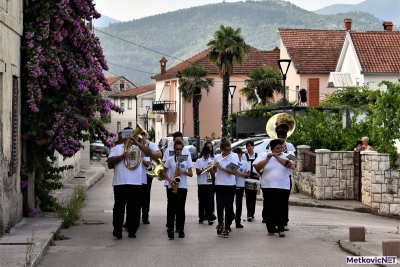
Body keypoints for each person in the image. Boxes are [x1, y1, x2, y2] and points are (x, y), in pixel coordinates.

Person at [107, 127, 153, 239]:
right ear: (121, 136)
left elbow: (149, 153)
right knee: (119, 208)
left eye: (130, 134)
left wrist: (138, 143)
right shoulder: (117, 148)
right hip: (120, 182)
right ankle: (117, 230)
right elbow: (109, 164)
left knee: (134, 208)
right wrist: (121, 157)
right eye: (125, 134)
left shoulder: (138, 148)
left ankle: (132, 230)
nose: (127, 137)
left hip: (135, 183)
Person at [253, 139, 293, 237]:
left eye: (281, 148)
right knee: (269, 208)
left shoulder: (288, 155)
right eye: (277, 148)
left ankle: (281, 229)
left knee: (281, 207)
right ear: (272, 148)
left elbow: (290, 165)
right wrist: (267, 158)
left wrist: (277, 157)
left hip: (283, 186)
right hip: (268, 185)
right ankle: (270, 228)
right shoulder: (263, 155)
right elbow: (257, 167)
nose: (280, 150)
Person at [163, 140, 193, 239]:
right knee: (171, 209)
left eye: (180, 149)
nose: (178, 151)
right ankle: (170, 229)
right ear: (174, 149)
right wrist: (170, 180)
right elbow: (163, 172)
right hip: (172, 186)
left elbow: (191, 174)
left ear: (182, 149)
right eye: (177, 149)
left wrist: (183, 171)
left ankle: (181, 229)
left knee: (181, 209)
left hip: (182, 187)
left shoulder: (186, 159)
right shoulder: (170, 159)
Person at [213, 138, 239, 238]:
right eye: (226, 150)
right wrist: (213, 167)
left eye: (230, 149)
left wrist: (221, 168)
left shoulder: (234, 156)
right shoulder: (217, 157)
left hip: (230, 185)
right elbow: (214, 171)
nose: (228, 152)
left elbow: (233, 172)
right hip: (219, 184)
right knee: (219, 207)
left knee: (228, 207)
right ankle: (220, 223)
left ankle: (227, 227)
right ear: (222, 149)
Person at [139, 131, 162, 224]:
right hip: (135, 173)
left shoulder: (150, 144)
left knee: (145, 195)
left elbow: (159, 154)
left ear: (145, 136)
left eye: (141, 135)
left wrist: (148, 153)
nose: (140, 138)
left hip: (147, 172)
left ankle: (145, 216)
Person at [196, 146, 215, 225]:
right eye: (206, 155)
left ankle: (210, 218)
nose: (207, 157)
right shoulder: (198, 161)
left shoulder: (211, 160)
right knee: (201, 201)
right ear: (203, 154)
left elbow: (213, 175)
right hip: (201, 183)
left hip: (209, 183)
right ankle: (201, 217)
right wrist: (205, 168)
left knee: (209, 201)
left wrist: (211, 169)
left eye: (208, 155)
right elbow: (198, 172)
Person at [242, 140, 259, 222]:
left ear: (253, 146)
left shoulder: (257, 155)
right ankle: (249, 214)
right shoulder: (244, 156)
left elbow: (260, 166)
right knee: (248, 196)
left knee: (253, 196)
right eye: (247, 146)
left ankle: (252, 213)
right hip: (247, 176)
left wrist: (260, 173)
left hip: (255, 176)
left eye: (250, 146)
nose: (249, 147)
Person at [233, 147, 250, 228]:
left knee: (239, 204)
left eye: (238, 155)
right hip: (232, 185)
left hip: (240, 185)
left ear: (241, 155)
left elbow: (248, 174)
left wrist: (240, 174)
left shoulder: (244, 163)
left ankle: (238, 221)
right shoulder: (232, 163)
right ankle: (231, 217)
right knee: (229, 203)